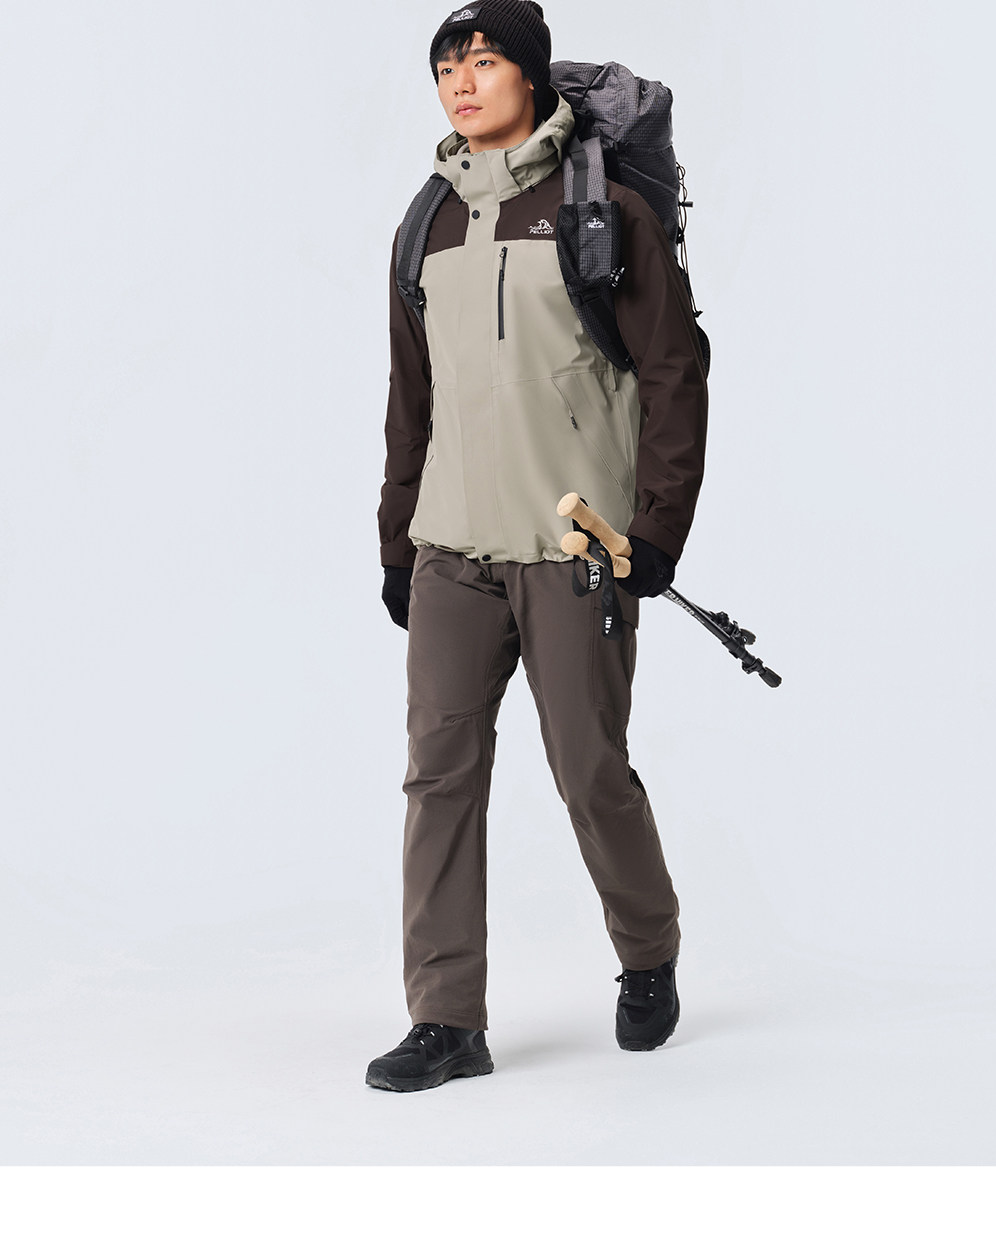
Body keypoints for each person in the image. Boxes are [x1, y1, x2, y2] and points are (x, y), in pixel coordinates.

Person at [368, 0, 708, 1093]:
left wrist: (656, 528)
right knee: (438, 778)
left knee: (589, 769)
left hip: (576, 546)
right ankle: (446, 1020)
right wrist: (396, 538)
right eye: (445, 68)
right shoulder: (427, 219)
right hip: (450, 547)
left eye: (482, 61)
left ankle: (647, 950)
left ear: (532, 75)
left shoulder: (602, 210)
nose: (461, 83)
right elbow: (411, 398)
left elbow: (674, 373)